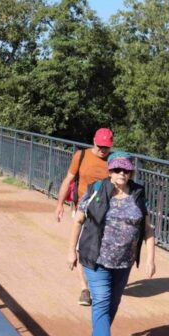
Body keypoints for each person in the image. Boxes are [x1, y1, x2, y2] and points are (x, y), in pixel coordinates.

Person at [66, 151, 156, 336]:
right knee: (102, 300)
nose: (121, 174)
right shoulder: (96, 190)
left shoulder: (138, 193)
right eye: (117, 170)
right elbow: (79, 220)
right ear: (110, 171)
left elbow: (148, 229)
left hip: (123, 262)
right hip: (96, 258)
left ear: (131, 171)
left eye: (125, 170)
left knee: (113, 304)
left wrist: (150, 259)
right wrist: (71, 251)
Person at [55, 128, 114, 306]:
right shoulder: (81, 156)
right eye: (100, 146)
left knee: (104, 248)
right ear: (94, 141)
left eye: (106, 147)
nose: (103, 150)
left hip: (106, 212)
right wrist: (59, 204)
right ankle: (85, 289)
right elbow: (68, 179)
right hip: (82, 208)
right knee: (82, 247)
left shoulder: (113, 161)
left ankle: (101, 282)